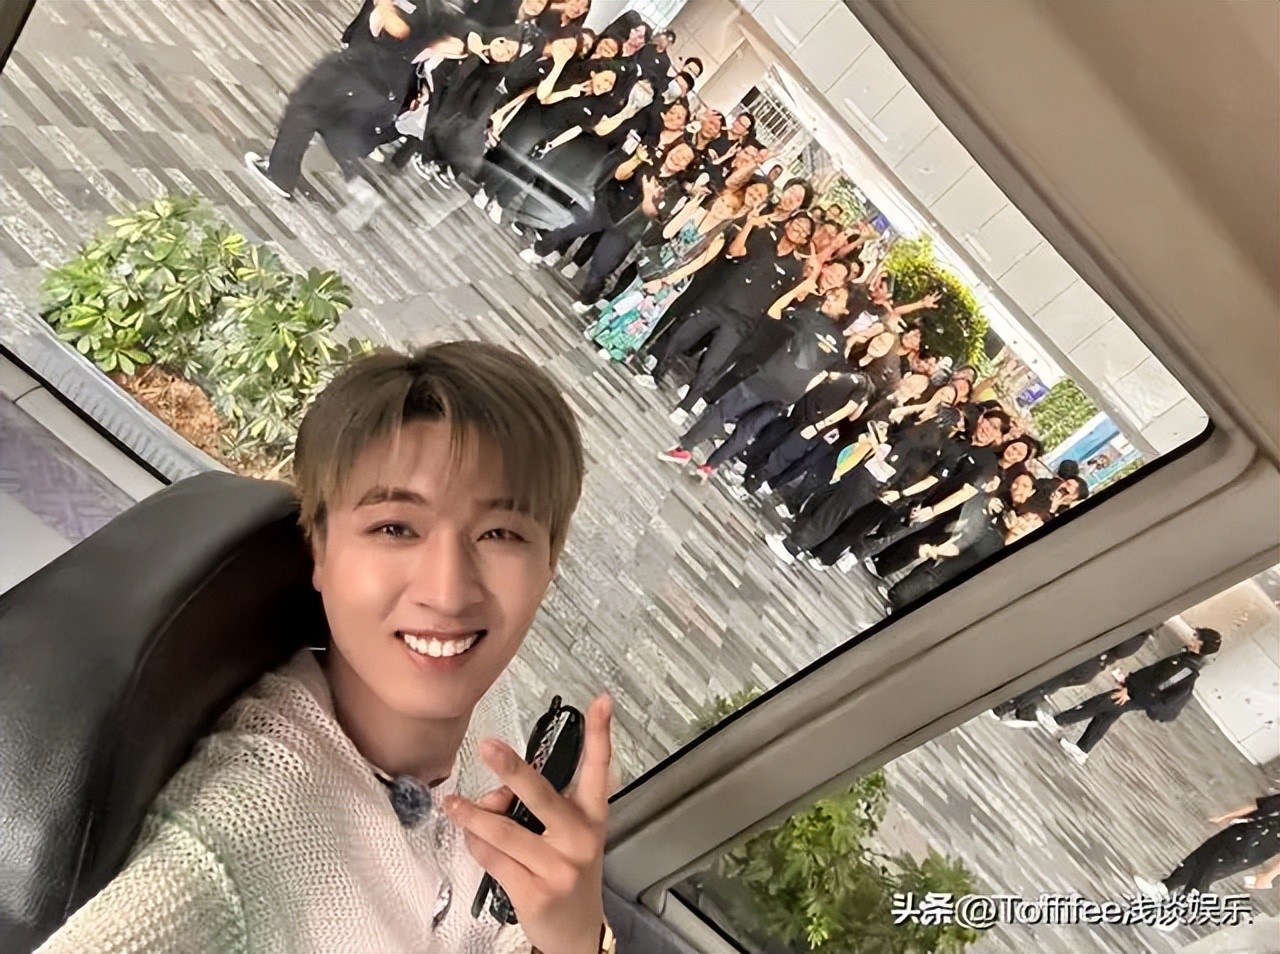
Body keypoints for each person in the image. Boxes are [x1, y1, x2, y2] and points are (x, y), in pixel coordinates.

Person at [35, 343, 616, 954]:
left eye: (499, 533)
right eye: (395, 528)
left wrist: (576, 936)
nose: (448, 594)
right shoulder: (228, 855)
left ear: (550, 560)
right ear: (318, 546)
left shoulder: (491, 707)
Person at [246, 0, 492, 215]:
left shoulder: (425, 7)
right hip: (379, 80)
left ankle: (282, 174)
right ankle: (349, 178)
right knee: (324, 119)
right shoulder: (443, 12)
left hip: (365, 71)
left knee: (306, 107)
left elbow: (400, 30)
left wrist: (384, 5)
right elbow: (454, 46)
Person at [658, 284, 854, 480]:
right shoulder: (840, 345)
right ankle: (710, 467)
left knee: (722, 411)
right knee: (747, 429)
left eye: (837, 298)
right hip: (789, 394)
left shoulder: (809, 317)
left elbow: (775, 312)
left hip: (768, 379)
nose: (829, 298)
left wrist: (797, 290)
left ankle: (684, 449)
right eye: (832, 294)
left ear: (847, 310)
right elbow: (824, 375)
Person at [647, 209, 813, 420]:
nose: (799, 229)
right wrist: (749, 225)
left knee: (711, 365)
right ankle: (655, 374)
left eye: (804, 231)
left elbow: (783, 300)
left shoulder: (795, 269)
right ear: (788, 223)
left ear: (805, 240)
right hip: (720, 302)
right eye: (797, 223)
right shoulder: (764, 236)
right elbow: (735, 251)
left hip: (742, 322)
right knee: (682, 336)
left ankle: (685, 407)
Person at [522, 140, 696, 313]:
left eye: (685, 159)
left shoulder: (675, 190)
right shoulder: (649, 159)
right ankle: (538, 251)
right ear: (670, 149)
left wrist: (649, 195)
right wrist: (636, 159)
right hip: (605, 205)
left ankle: (587, 300)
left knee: (600, 268)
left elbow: (653, 214)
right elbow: (620, 175)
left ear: (685, 168)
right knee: (566, 229)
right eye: (679, 151)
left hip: (627, 230)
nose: (678, 157)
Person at [587, 185, 745, 362]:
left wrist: (665, 281)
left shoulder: (717, 238)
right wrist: (691, 206)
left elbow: (695, 265)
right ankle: (600, 330)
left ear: (732, 214)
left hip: (674, 277)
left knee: (643, 313)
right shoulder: (697, 213)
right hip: (660, 261)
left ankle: (616, 347)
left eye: (728, 207)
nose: (721, 207)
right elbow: (668, 232)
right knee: (629, 297)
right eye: (722, 201)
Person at [1055, 627, 1222, 764]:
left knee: (1099, 703)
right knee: (1108, 713)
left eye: (1196, 638)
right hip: (1137, 692)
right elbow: (1152, 674)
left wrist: (1129, 691)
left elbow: (1158, 687)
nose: (1192, 638)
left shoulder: (1187, 668)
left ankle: (1058, 721)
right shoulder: (1184, 657)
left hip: (1141, 697)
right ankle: (1082, 749)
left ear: (1201, 646)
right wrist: (1128, 681)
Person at [1134, 791, 1280, 900]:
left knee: (1206, 872)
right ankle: (1164, 888)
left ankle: (1178, 912)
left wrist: (1269, 875)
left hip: (1251, 849)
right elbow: (1257, 806)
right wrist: (1227, 816)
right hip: (1240, 831)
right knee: (1198, 858)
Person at [994, 628, 1152, 725]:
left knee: (1048, 684)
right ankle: (1020, 708)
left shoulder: (1135, 630)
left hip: (1088, 661)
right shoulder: (1138, 633)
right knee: (1049, 685)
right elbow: (1120, 651)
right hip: (1091, 664)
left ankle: (1012, 706)